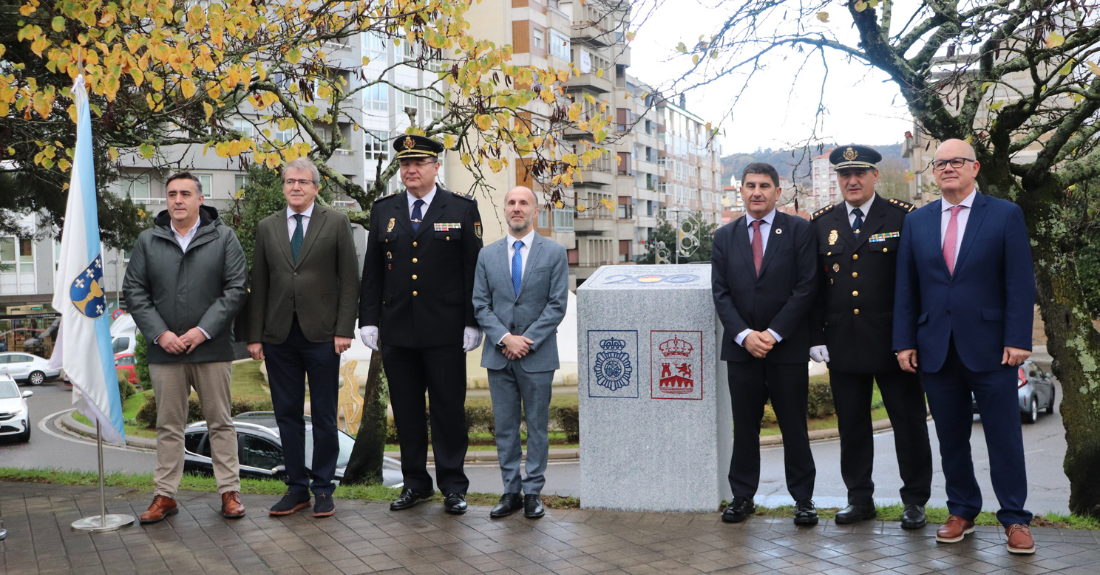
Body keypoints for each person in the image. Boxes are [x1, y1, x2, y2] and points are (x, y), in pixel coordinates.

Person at [894, 139, 1037, 554]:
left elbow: (1019, 281)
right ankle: (962, 510)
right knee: (951, 439)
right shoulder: (917, 222)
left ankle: (1014, 518)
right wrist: (904, 341)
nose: (948, 168)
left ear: (975, 168)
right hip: (936, 347)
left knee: (1004, 437)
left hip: (993, 349)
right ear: (933, 172)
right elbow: (907, 288)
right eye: (940, 163)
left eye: (957, 162)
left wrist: (1018, 338)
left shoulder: (1005, 215)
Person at [808, 145, 933, 529]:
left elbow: (916, 283)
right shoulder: (822, 223)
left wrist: (910, 338)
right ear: (838, 180)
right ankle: (859, 498)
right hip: (844, 342)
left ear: (875, 176)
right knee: (853, 426)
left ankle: (914, 500)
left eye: (860, 173)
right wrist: (816, 336)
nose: (853, 181)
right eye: (845, 175)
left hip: (895, 344)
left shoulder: (901, 216)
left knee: (909, 424)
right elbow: (813, 286)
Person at [359, 135, 484, 515]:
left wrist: (472, 322)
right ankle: (415, 483)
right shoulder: (385, 210)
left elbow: (472, 271)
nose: (410, 170)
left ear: (435, 168)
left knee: (448, 410)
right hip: (397, 329)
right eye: (405, 164)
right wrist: (368, 320)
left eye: (418, 163)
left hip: (445, 330)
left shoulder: (461, 208)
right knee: (408, 410)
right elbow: (373, 270)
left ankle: (452, 486)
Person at [123, 172, 248, 523]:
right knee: (168, 426)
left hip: (212, 349)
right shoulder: (148, 240)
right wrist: (160, 334)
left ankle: (229, 493)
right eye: (172, 194)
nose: (178, 200)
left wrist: (202, 330)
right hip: (166, 352)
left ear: (200, 199)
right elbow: (134, 291)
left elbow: (236, 289)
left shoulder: (224, 238)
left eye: (185, 194)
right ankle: (165, 496)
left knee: (220, 423)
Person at [246, 157, 360, 518]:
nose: (296, 187)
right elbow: (259, 283)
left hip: (324, 336)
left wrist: (344, 329)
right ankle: (296, 488)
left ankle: (323, 488)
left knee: (325, 415)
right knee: (287, 416)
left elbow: (349, 280)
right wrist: (255, 335)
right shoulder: (267, 227)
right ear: (284, 186)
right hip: (279, 336)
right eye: (290, 181)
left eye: (303, 182)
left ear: (316, 187)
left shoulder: (337, 222)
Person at [711, 162, 819, 525]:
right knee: (744, 427)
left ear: (778, 190)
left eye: (764, 185)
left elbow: (806, 288)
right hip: (742, 351)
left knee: (793, 426)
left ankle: (803, 499)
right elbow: (721, 294)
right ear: (739, 191)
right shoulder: (724, 237)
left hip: (785, 348)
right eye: (750, 185)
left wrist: (772, 334)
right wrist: (745, 336)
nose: (756, 191)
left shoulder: (800, 230)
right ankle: (742, 497)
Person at [472, 186, 568, 520]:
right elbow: (480, 305)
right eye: (511, 202)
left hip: (537, 356)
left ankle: (533, 493)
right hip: (499, 357)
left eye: (523, 203)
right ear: (504, 209)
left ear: (535, 211)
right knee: (506, 428)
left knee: (538, 427)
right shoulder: (487, 255)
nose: (517, 208)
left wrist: (525, 340)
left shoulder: (554, 253)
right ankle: (510, 491)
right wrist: (504, 339)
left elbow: (557, 305)